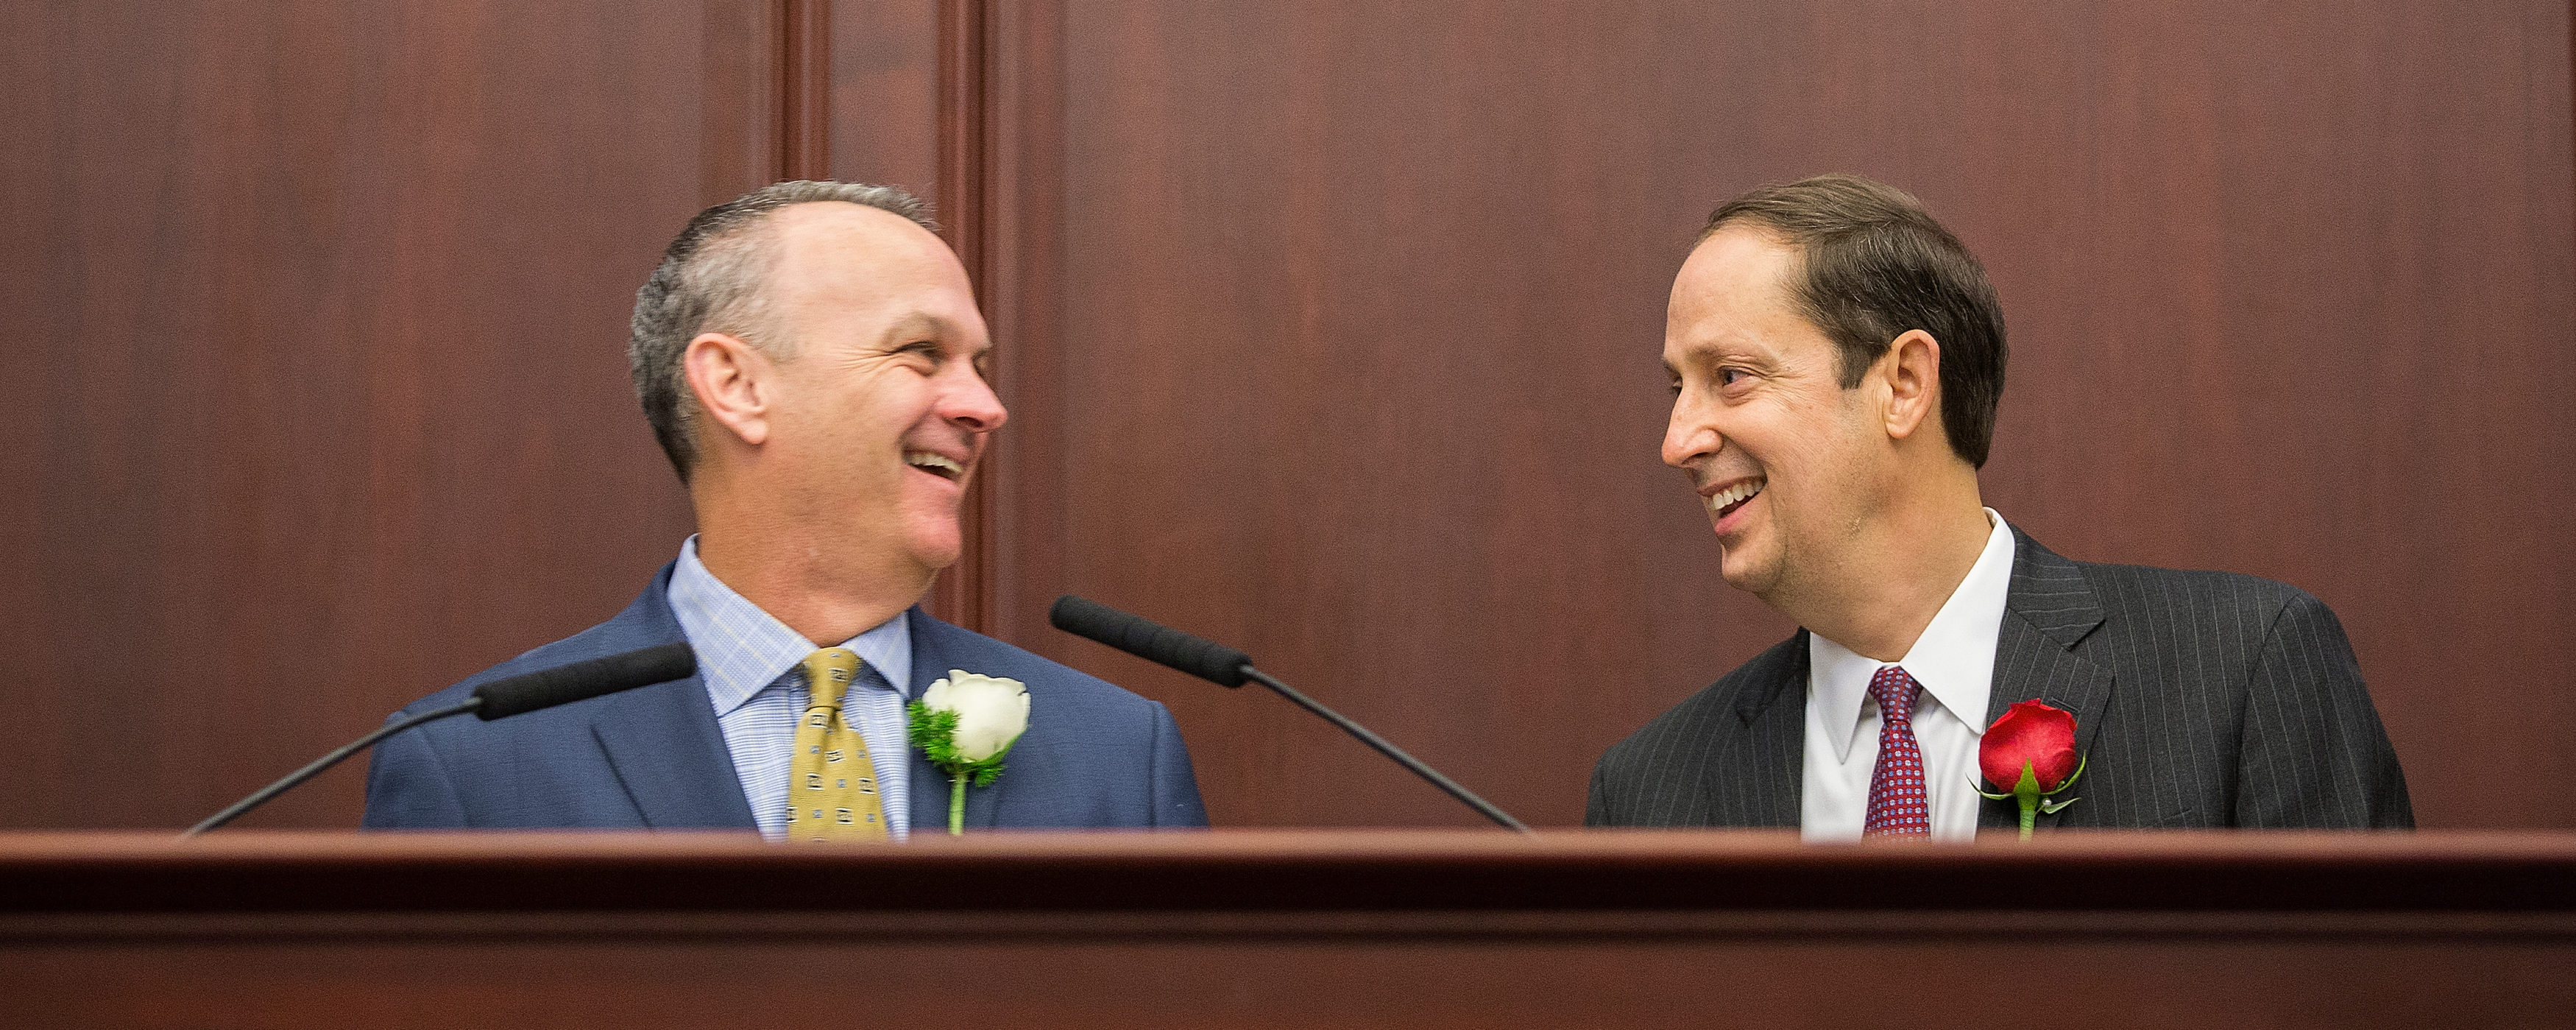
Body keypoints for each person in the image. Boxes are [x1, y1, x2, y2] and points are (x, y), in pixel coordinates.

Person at [365, 182, 1207, 836]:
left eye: (980, 365)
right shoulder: (474, 760)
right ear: (738, 386)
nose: (984, 406)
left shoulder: (1118, 753)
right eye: (921, 353)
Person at [1588, 174, 2409, 837]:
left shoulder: (2241, 673)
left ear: (1902, 384)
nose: (1677, 440)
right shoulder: (1647, 793)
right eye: (1675, 388)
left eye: (1728, 376)